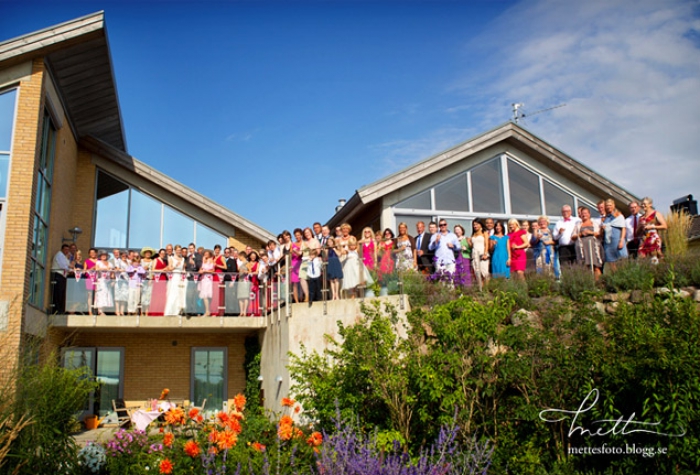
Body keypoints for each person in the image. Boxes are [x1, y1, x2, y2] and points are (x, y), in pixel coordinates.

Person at [573, 207, 604, 279]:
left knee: (596, 266)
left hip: (593, 247)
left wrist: (591, 232)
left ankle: (598, 283)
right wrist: (580, 234)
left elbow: (599, 234)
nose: (584, 215)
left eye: (585, 213)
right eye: (582, 213)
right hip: (583, 248)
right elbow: (573, 237)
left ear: (589, 214)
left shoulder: (594, 223)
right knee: (585, 266)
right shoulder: (578, 224)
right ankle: (589, 283)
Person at [637, 196, 667, 263]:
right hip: (644, 238)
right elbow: (637, 232)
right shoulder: (641, 217)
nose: (643, 205)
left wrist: (652, 226)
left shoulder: (656, 214)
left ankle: (658, 269)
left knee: (655, 256)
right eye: (642, 204)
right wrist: (640, 226)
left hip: (653, 238)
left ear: (650, 204)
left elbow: (665, 226)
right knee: (641, 257)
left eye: (644, 204)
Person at [601, 199, 628, 271]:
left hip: (617, 241)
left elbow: (623, 228)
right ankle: (615, 278)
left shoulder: (619, 216)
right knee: (611, 263)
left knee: (622, 260)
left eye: (610, 205)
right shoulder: (606, 218)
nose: (608, 207)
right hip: (608, 243)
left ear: (613, 206)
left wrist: (621, 241)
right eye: (607, 206)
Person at [553, 205, 582, 270]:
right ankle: (566, 279)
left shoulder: (577, 220)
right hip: (563, 248)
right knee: (564, 266)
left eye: (567, 211)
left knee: (576, 265)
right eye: (563, 211)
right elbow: (555, 237)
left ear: (570, 212)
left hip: (574, 246)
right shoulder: (559, 223)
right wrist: (559, 233)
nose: (565, 213)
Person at [164, 244, 186, 316]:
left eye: (180, 250)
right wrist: (175, 266)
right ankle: (170, 311)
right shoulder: (171, 258)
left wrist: (184, 274)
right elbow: (169, 268)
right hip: (174, 277)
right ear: (175, 251)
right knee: (173, 294)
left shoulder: (183, 259)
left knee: (180, 294)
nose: (179, 251)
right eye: (177, 250)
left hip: (180, 278)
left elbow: (183, 269)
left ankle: (178, 311)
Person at [51, 244, 71, 314]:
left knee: (62, 294)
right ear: (62, 249)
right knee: (58, 293)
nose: (66, 251)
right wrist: (70, 270)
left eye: (68, 250)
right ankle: (56, 310)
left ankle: (60, 309)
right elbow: (63, 266)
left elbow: (69, 264)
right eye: (65, 249)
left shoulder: (64, 257)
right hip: (58, 275)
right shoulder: (59, 255)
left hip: (63, 276)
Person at [470, 219, 489, 290]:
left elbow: (486, 244)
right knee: (477, 273)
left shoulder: (484, 232)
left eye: (477, 224)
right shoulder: (473, 234)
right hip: (474, 254)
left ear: (480, 224)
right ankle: (480, 289)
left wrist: (485, 253)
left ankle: (486, 289)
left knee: (484, 273)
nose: (475, 226)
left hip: (482, 254)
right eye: (474, 224)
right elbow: (472, 245)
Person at [94, 250, 114, 315]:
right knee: (101, 295)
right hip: (101, 280)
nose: (104, 256)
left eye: (105, 255)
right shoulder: (98, 262)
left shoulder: (110, 263)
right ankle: (100, 311)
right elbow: (96, 269)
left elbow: (112, 273)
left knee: (107, 295)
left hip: (108, 280)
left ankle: (103, 310)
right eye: (102, 255)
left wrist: (113, 280)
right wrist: (105, 269)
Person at [198, 250, 215, 317]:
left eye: (207, 254)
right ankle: (207, 311)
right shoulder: (203, 261)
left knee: (206, 295)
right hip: (203, 279)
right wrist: (201, 270)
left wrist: (205, 271)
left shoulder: (211, 260)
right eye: (205, 254)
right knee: (204, 295)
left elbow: (213, 270)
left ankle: (208, 311)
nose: (206, 255)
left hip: (208, 279)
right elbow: (200, 269)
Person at [113, 251, 130, 316]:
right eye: (123, 255)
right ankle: (117, 311)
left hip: (126, 280)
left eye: (125, 255)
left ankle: (122, 311)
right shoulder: (118, 261)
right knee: (118, 295)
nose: (124, 256)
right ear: (120, 255)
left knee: (124, 295)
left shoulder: (129, 261)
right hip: (119, 280)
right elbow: (116, 268)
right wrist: (121, 270)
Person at [84, 248, 99, 316]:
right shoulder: (86, 261)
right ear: (89, 254)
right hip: (89, 279)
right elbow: (84, 271)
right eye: (91, 253)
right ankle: (89, 310)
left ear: (96, 253)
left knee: (97, 295)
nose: (92, 254)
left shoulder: (99, 261)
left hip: (97, 279)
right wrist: (92, 268)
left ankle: (96, 310)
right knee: (90, 295)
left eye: (94, 252)